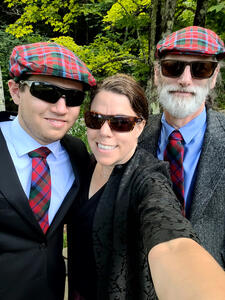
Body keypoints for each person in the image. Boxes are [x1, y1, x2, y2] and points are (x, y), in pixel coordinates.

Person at [67, 73, 225, 300]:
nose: (104, 131)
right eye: (95, 119)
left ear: (140, 126)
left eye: (120, 123)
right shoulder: (87, 162)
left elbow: (170, 239)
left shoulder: (148, 177)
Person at [0, 42, 96, 300]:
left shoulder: (77, 153)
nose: (61, 109)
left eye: (74, 98)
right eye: (46, 92)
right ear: (16, 91)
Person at [139, 26, 225, 269]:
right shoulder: (131, 137)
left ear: (214, 77)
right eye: (173, 67)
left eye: (201, 69)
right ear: (157, 74)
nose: (185, 79)